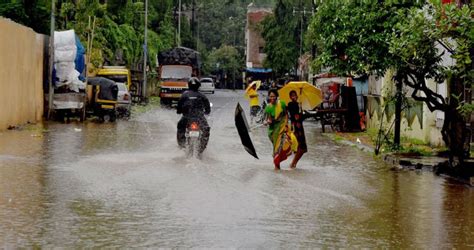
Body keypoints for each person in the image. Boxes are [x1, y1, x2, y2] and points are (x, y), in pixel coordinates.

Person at [177, 77, 211, 156]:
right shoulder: (202, 96)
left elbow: (179, 107)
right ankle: (202, 148)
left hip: (186, 118)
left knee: (180, 127)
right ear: (198, 86)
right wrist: (206, 112)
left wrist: (179, 111)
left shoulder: (184, 95)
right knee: (206, 129)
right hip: (199, 118)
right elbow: (208, 109)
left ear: (188, 85)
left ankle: (182, 145)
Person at [264, 89, 297, 170]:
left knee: (282, 147)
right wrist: (267, 122)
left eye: (274, 96)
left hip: (282, 130)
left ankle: (277, 168)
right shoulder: (268, 108)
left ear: (277, 96)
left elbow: (286, 115)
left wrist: (287, 125)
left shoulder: (281, 104)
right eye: (271, 96)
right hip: (273, 132)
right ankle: (277, 167)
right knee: (276, 150)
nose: (272, 98)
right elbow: (267, 119)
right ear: (269, 97)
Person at [287, 90, 308, 169]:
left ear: (297, 96)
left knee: (302, 147)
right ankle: (293, 163)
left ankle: (294, 163)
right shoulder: (290, 104)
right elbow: (294, 116)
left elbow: (301, 117)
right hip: (295, 127)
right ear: (290, 97)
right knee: (299, 146)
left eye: (294, 95)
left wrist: (302, 112)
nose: (293, 97)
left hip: (300, 127)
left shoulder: (299, 105)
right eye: (292, 95)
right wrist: (299, 114)